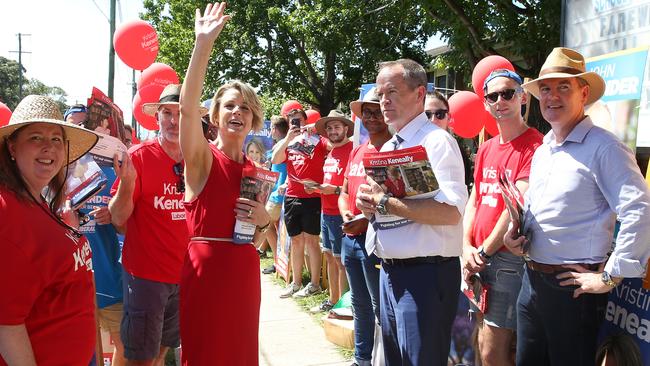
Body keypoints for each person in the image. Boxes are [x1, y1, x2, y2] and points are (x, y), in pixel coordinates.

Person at [504, 47, 650, 366]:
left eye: (563, 87)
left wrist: (610, 276)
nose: (552, 96)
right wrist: (516, 236)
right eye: (545, 88)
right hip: (532, 281)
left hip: (572, 291)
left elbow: (640, 211)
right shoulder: (544, 148)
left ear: (584, 93)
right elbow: (541, 210)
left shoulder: (606, 147)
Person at [356, 59, 468, 366]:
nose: (384, 101)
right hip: (391, 272)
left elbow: (451, 213)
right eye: (380, 94)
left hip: (426, 277)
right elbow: (386, 204)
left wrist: (383, 202)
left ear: (419, 94)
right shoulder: (390, 144)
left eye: (392, 91)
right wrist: (370, 208)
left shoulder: (436, 141)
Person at [178, 3, 270, 365]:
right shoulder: (202, 158)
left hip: (244, 273)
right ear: (215, 115)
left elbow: (258, 237)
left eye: (246, 108)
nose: (238, 112)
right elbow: (186, 109)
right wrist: (202, 46)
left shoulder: (255, 170)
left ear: (254, 120)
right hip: (206, 272)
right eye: (230, 105)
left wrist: (263, 218)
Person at [0, 95, 99, 365]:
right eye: (36, 138)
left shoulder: (35, 200)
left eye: (56, 139)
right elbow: (6, 324)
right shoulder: (7, 211)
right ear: (12, 146)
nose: (49, 148)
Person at [109, 83, 203, 366]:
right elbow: (117, 220)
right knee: (141, 357)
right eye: (167, 113)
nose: (174, 121)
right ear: (157, 117)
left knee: (163, 350)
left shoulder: (199, 158)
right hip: (146, 277)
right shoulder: (139, 156)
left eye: (180, 113)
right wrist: (128, 183)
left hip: (184, 276)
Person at [461, 69, 543, 366]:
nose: (500, 100)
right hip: (478, 258)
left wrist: (482, 251)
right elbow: (475, 199)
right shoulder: (485, 148)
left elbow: (515, 209)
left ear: (522, 97)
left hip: (506, 259)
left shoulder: (535, 145)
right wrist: (466, 247)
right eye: (492, 96)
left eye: (508, 93)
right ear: (485, 104)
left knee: (494, 352)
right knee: (481, 340)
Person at [66, 105, 127, 366]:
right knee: (84, 352)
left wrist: (113, 215)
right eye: (74, 126)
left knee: (125, 346)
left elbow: (127, 222)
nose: (81, 130)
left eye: (85, 124)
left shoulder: (114, 169)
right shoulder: (59, 172)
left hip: (110, 277)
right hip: (74, 281)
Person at [340, 87, 393, 366]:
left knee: (380, 308)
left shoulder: (394, 150)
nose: (371, 117)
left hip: (377, 240)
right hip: (350, 239)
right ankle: (362, 360)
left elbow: (396, 200)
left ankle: (382, 360)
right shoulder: (357, 151)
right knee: (358, 305)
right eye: (366, 112)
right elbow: (343, 190)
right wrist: (345, 215)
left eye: (377, 111)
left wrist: (366, 219)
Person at [271, 106, 329, 298]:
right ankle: (296, 283)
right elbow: (276, 159)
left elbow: (335, 145)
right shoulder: (288, 142)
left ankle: (314, 283)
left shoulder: (318, 140)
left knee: (312, 241)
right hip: (291, 196)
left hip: (312, 197)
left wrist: (317, 129)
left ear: (305, 120)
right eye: (292, 121)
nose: (297, 124)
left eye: (299, 120)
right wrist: (288, 138)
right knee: (296, 241)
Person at [307, 110, 354, 312]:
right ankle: (333, 300)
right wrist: (316, 187)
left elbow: (352, 186)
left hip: (340, 213)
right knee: (329, 256)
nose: (333, 131)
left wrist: (333, 190)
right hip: (326, 211)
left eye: (337, 127)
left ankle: (343, 304)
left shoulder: (352, 150)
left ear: (346, 128)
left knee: (340, 261)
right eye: (330, 128)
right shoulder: (331, 151)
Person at [260, 115, 289, 274]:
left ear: (276, 129)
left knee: (264, 225)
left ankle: (278, 261)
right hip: (277, 194)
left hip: (279, 195)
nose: (270, 130)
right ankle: (279, 261)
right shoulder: (281, 145)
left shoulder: (284, 145)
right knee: (271, 227)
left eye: (271, 127)